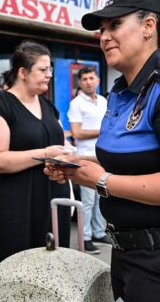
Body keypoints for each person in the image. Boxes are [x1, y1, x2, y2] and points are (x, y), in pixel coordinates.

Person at [45, 0, 160, 301]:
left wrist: (100, 181)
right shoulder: (121, 91)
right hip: (129, 254)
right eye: (101, 29)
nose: (104, 36)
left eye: (115, 24)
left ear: (148, 26)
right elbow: (129, 160)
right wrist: (78, 167)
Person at [0, 40, 71, 262]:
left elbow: (57, 141)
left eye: (50, 69)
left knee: (52, 271)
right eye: (42, 69)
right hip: (15, 210)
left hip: (51, 202)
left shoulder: (47, 105)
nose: (49, 74)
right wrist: (45, 153)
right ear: (22, 72)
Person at [66, 67, 110, 254]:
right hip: (85, 156)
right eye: (84, 79)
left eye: (91, 78)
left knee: (102, 195)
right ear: (80, 82)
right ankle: (85, 238)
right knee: (88, 200)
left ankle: (99, 232)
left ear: (98, 80)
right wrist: (102, 132)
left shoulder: (103, 101)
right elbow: (76, 133)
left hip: (103, 155)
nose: (88, 82)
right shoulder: (76, 103)